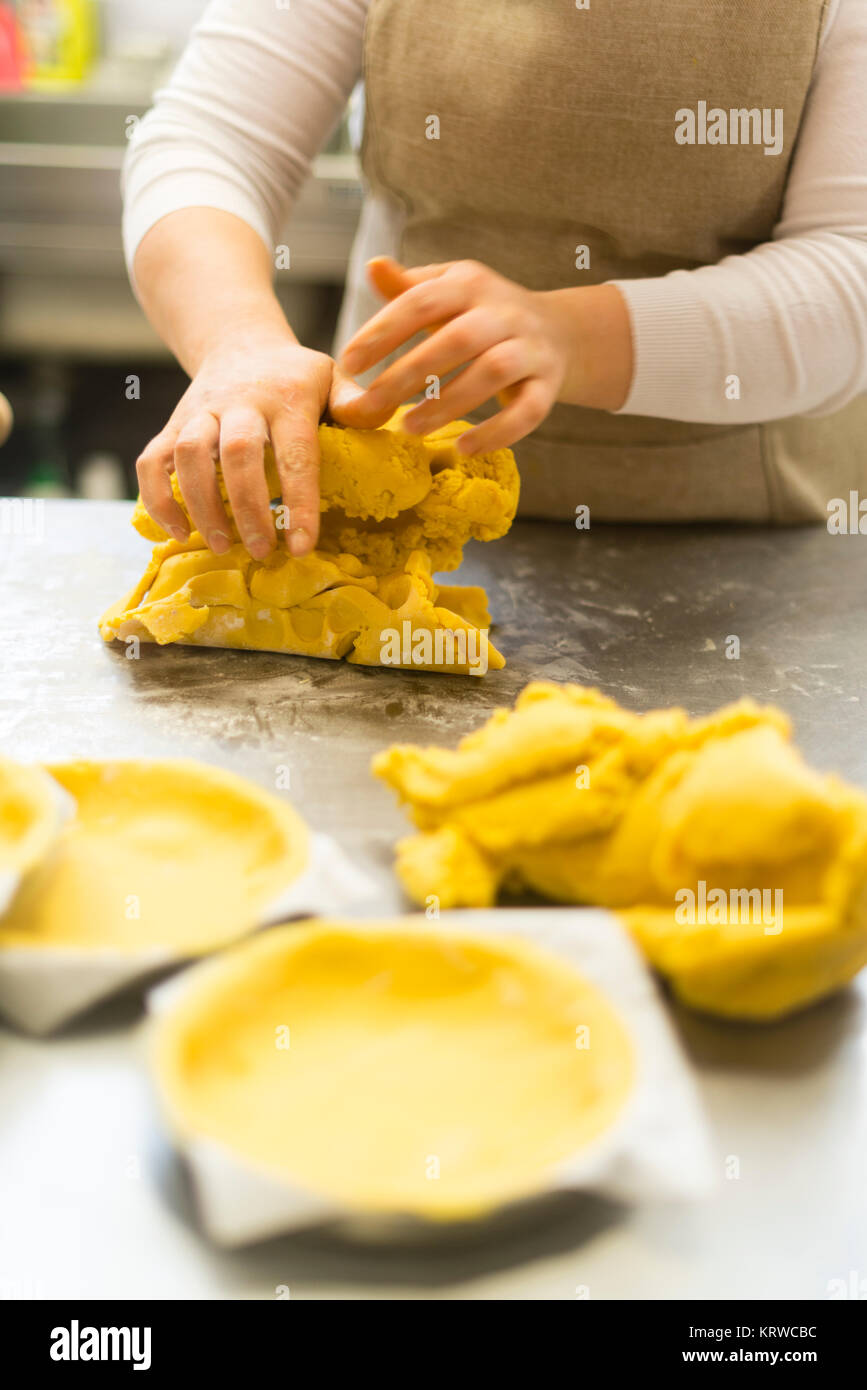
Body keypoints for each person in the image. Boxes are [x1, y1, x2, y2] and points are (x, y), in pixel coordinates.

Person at [124, 0, 867, 561]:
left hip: (756, 554)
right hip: (392, 525)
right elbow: (209, 138)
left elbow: (850, 268)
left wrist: (571, 338)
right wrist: (240, 343)